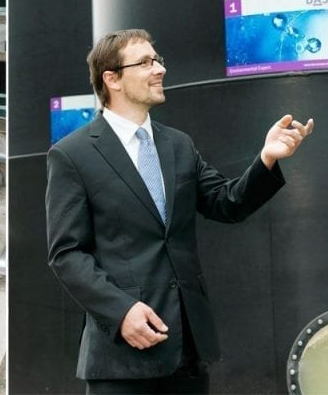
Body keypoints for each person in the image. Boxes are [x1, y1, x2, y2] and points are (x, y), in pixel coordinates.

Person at [45, 28, 313, 394]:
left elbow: (227, 202)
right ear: (112, 79)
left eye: (158, 60)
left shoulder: (178, 145)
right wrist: (121, 312)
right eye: (145, 62)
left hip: (187, 350)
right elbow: (67, 253)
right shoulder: (72, 154)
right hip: (121, 359)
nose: (160, 69)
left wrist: (267, 159)